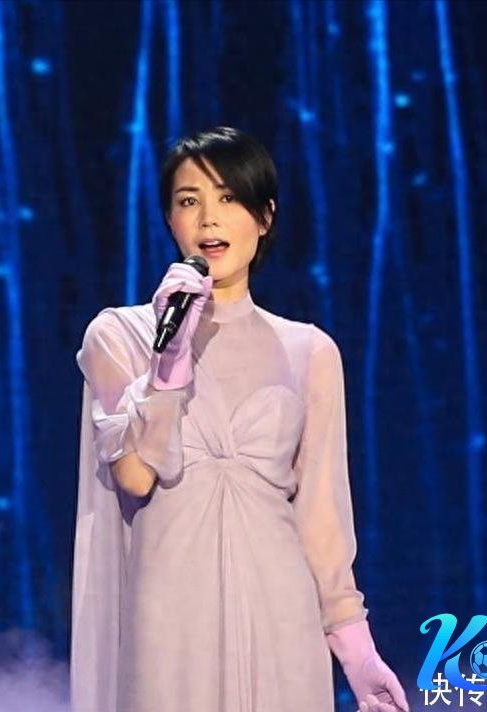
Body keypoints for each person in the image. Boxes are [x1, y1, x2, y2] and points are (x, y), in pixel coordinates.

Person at [70, 126, 409, 712]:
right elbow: (134, 477)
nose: (208, 219)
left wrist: (358, 654)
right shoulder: (120, 334)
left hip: (281, 616)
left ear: (264, 216)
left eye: (228, 198)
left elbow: (322, 518)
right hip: (170, 618)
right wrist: (168, 365)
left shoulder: (309, 351)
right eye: (189, 200)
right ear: (170, 220)